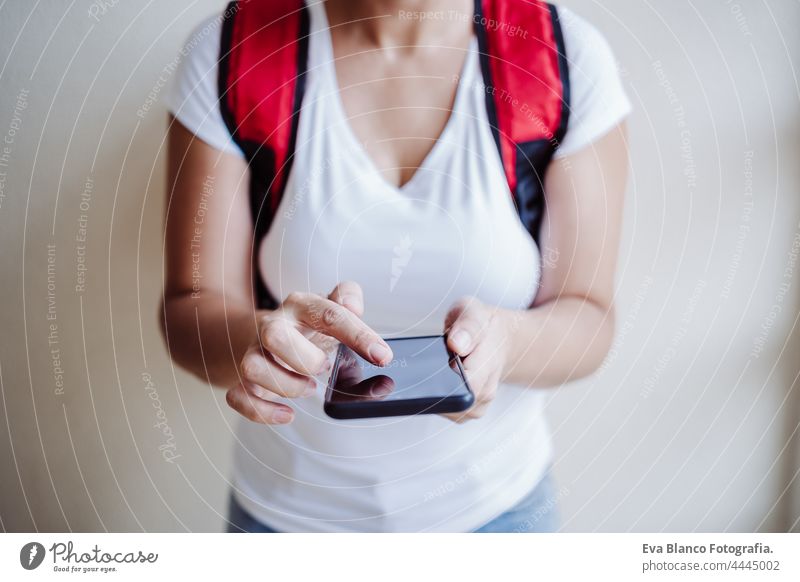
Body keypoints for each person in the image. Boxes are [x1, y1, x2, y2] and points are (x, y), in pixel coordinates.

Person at [161, 0, 631, 532]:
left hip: (499, 516)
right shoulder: (231, 51)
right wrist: (255, 338)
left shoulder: (560, 57)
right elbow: (188, 308)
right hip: (287, 520)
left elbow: (589, 315)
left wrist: (507, 342)